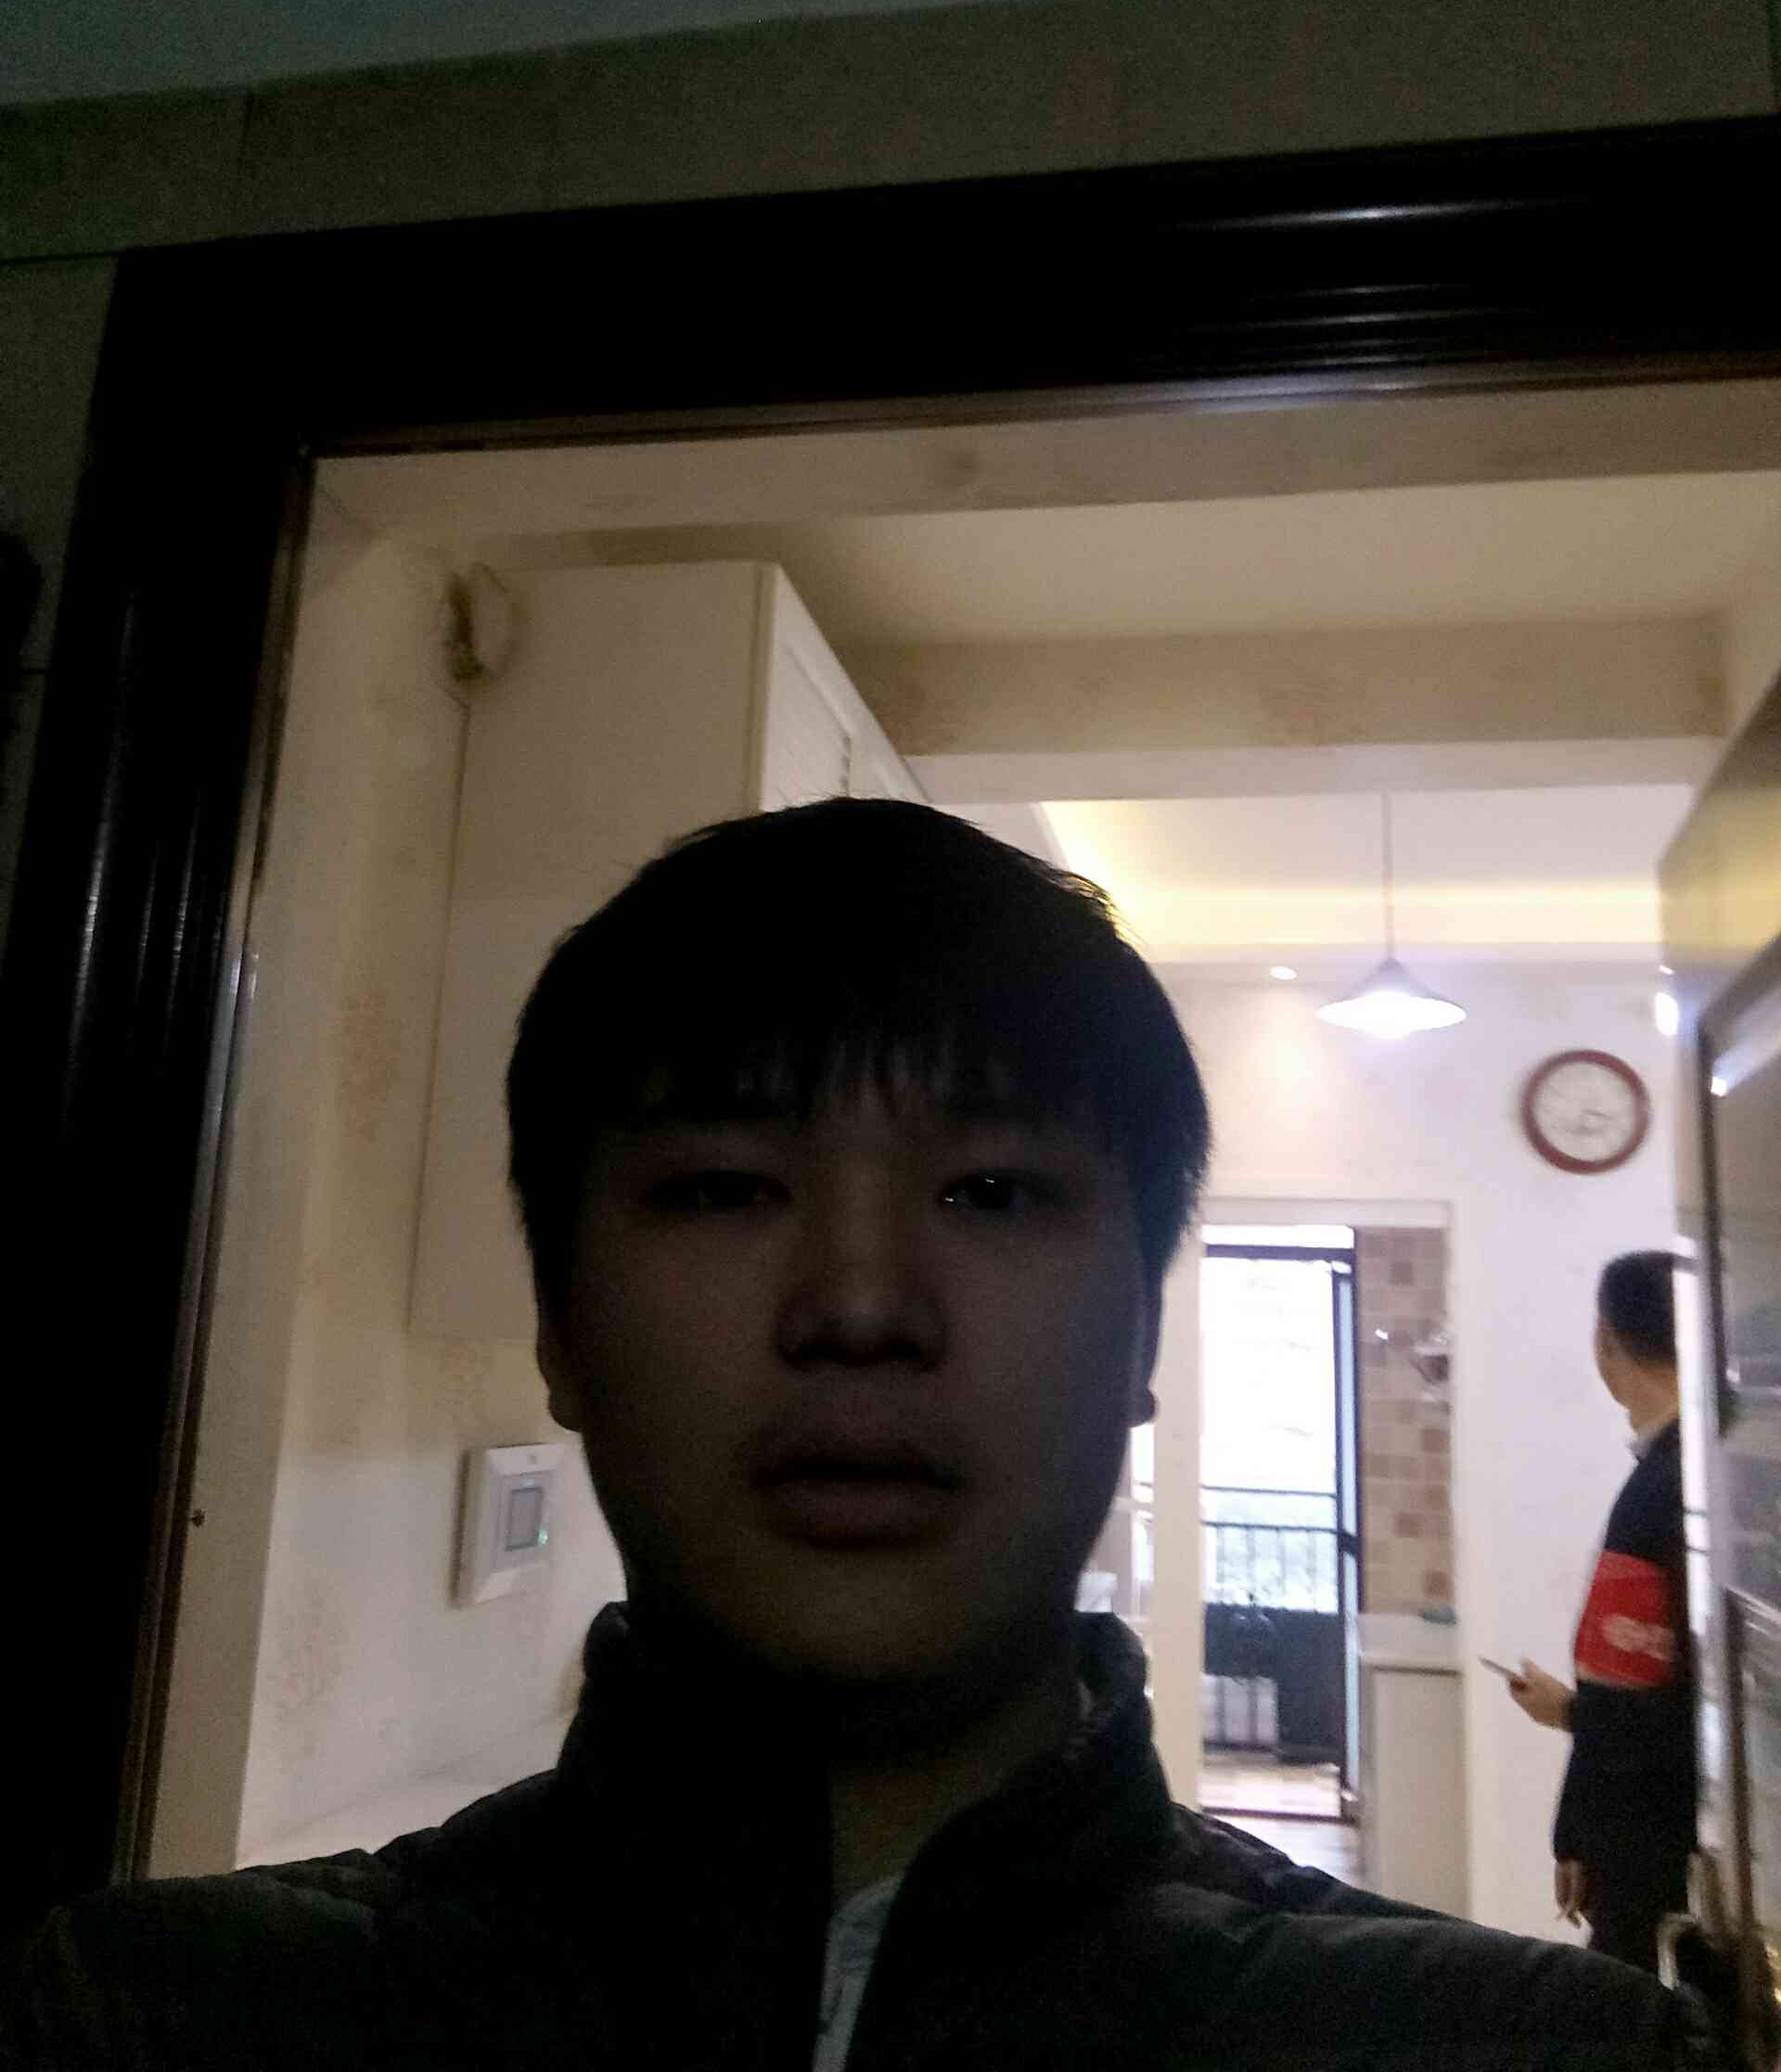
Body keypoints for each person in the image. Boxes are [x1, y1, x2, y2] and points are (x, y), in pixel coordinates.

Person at [2, 802, 1724, 2066]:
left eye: (993, 1190)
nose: (859, 1303)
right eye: (724, 1186)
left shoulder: (1533, 2053)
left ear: (1144, 1338)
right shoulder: (160, 2023)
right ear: (560, 1330)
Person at [1505, 1249, 1697, 1976]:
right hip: (1659, 1840)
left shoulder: (1658, 1493)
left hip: (1651, 1853)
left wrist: (1565, 1711)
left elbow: (1644, 1709)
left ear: (1604, 1340)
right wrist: (1575, 1834)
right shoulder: (1687, 1475)